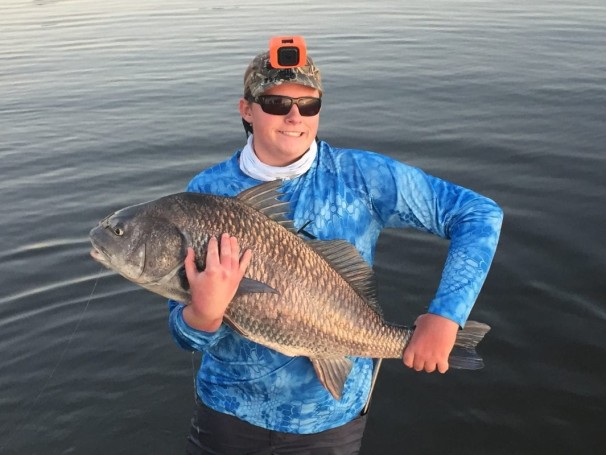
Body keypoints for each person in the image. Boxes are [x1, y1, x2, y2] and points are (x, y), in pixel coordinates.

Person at [168, 39, 503, 455]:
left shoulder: (362, 177)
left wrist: (447, 317)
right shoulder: (206, 193)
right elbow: (184, 336)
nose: (294, 116)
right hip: (225, 417)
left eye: (308, 105)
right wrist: (204, 313)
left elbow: (479, 214)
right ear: (246, 109)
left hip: (329, 423)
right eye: (275, 102)